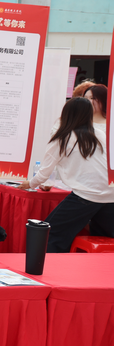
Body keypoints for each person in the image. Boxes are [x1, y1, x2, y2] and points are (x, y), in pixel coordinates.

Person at [18, 97, 114, 252]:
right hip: (111, 194)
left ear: (66, 114)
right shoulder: (99, 134)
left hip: (87, 194)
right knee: (103, 234)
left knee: (50, 233)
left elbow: (44, 173)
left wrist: (29, 183)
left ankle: (48, 265)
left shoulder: (62, 138)